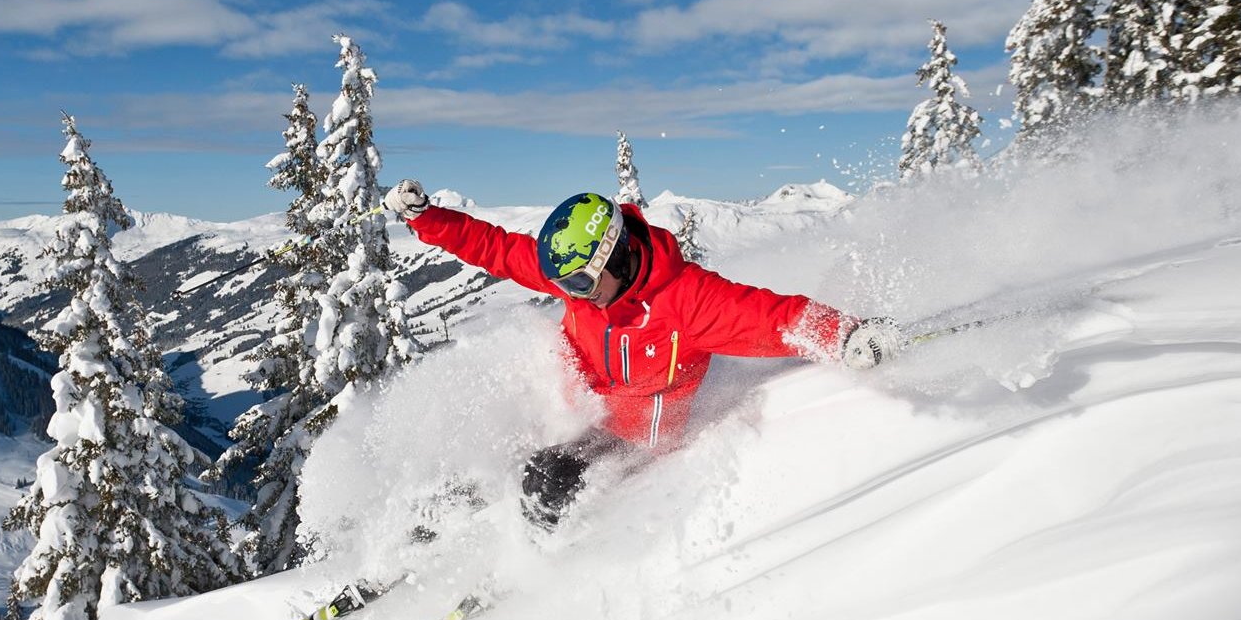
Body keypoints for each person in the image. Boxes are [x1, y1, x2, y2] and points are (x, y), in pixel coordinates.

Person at [382, 179, 901, 529]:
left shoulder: (686, 300)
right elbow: (494, 247)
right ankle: (432, 535)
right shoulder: (585, 279)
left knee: (547, 476)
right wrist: (428, 220)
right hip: (574, 407)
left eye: (582, 281)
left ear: (617, 253)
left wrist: (845, 335)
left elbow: (773, 317)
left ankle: (527, 565)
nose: (573, 293)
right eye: (564, 283)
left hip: (630, 440)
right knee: (483, 460)